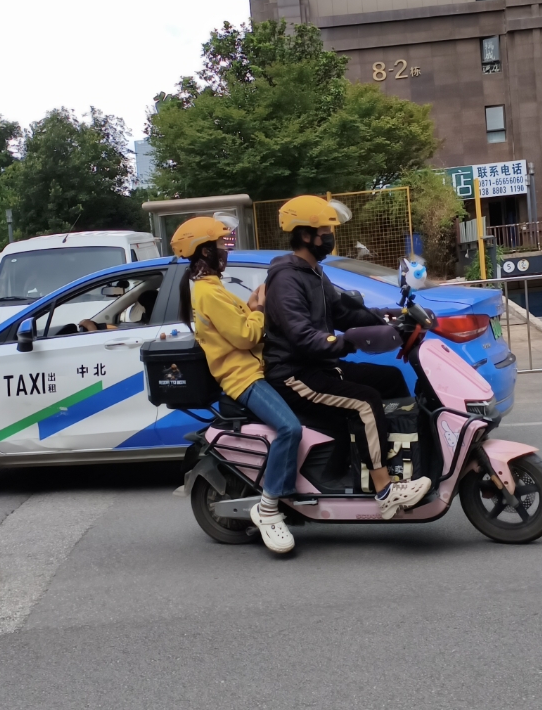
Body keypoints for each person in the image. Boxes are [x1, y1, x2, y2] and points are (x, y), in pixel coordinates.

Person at [263, 195, 431, 518]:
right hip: (295, 374)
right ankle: (385, 491)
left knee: (391, 378)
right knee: (365, 401)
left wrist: (390, 317)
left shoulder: (314, 273)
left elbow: (342, 312)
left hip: (322, 366)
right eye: (324, 229)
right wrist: (347, 343)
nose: (330, 236)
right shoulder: (286, 280)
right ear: (305, 235)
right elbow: (302, 337)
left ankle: (404, 455)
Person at [173, 216, 303, 555]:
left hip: (254, 370)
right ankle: (270, 507)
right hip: (242, 379)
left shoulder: (213, 287)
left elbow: (237, 318)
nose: (226, 252)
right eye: (221, 246)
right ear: (204, 251)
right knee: (289, 428)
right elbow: (245, 335)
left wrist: (253, 305)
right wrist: (259, 310)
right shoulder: (207, 292)